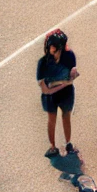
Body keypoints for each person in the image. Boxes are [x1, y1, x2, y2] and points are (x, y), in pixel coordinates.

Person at [36, 29, 77, 157]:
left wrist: (68, 80)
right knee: (51, 120)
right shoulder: (42, 63)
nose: (50, 49)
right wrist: (64, 84)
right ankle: (52, 146)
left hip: (66, 94)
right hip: (51, 96)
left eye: (53, 47)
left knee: (66, 117)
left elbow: (72, 74)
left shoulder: (69, 57)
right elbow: (45, 90)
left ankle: (68, 143)